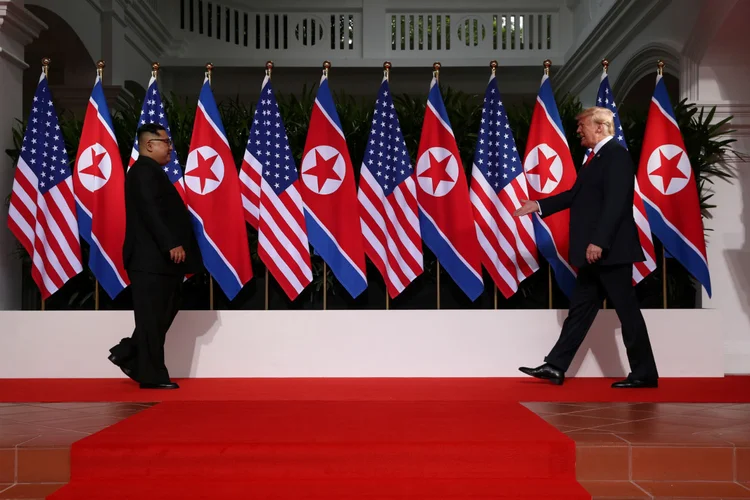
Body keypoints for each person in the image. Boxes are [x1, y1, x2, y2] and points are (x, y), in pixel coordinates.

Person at [514, 106, 658, 389]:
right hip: (597, 254)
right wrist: (540, 205)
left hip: (609, 251)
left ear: (601, 127)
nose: (578, 130)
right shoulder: (597, 158)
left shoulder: (615, 156)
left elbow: (617, 203)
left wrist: (599, 241)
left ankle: (644, 374)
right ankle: (556, 366)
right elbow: (576, 195)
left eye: (582, 125)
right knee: (580, 311)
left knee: (627, 312)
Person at [108, 123, 202, 389]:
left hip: (160, 262)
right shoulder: (143, 172)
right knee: (151, 318)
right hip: (150, 260)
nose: (170, 147)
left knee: (162, 313)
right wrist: (171, 243)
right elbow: (152, 212)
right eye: (166, 142)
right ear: (150, 145)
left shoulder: (152, 172)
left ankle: (129, 354)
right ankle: (151, 375)